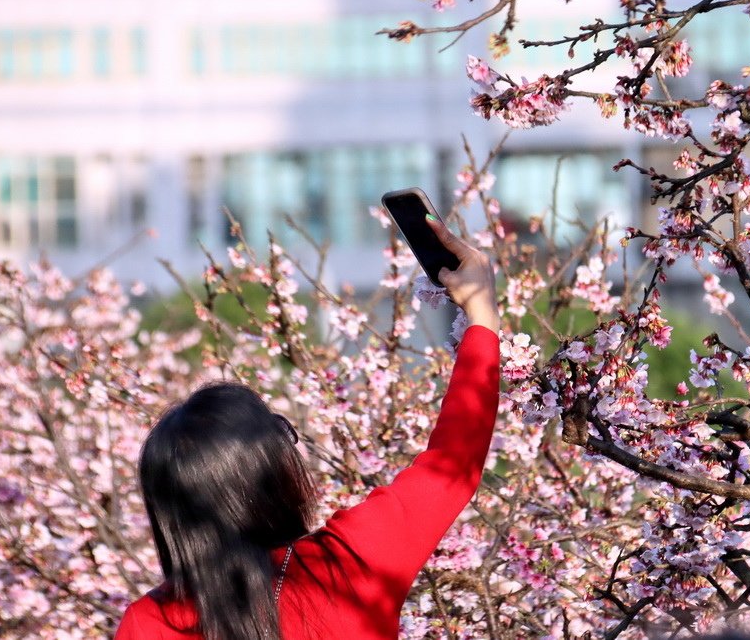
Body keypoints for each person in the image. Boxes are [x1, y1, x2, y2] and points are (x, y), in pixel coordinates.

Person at [114, 216, 501, 640]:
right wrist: (481, 315)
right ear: (269, 475)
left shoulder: (148, 623)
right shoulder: (349, 562)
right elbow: (451, 464)